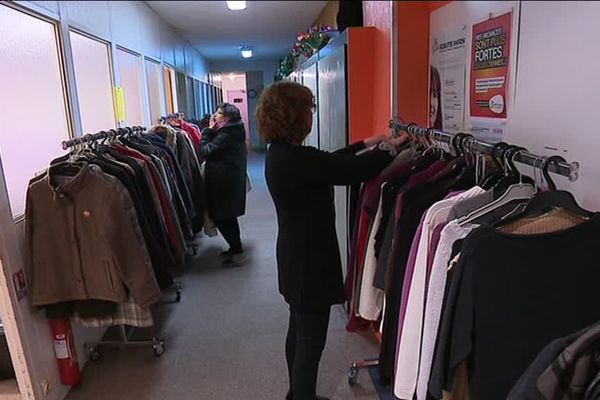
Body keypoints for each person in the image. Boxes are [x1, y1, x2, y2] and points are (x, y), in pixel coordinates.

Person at [257, 81, 407, 400]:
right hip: (310, 264)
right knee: (310, 341)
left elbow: (327, 163)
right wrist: (392, 147)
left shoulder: (281, 155)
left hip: (295, 259)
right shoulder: (297, 159)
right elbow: (346, 171)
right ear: (298, 117)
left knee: (298, 330)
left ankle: (295, 394)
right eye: (309, 110)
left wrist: (367, 142)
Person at [200, 103, 248, 265]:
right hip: (228, 180)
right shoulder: (232, 131)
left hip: (223, 183)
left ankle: (237, 250)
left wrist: (207, 131)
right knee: (228, 217)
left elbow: (205, 151)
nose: (215, 115)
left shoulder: (226, 135)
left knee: (223, 217)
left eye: (218, 113)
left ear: (226, 118)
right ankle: (235, 248)